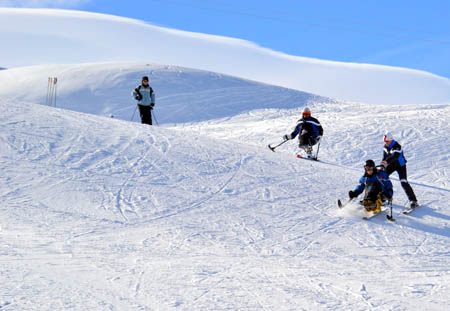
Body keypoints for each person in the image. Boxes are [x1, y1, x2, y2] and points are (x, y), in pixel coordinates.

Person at [380, 131, 418, 209]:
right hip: (391, 165)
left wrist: (386, 161)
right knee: (381, 177)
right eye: (385, 141)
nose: (386, 143)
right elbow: (384, 157)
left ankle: (413, 200)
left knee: (403, 182)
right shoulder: (385, 147)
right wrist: (382, 164)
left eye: (387, 141)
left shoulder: (397, 146)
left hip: (400, 166)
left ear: (390, 140)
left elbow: (394, 156)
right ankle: (383, 197)